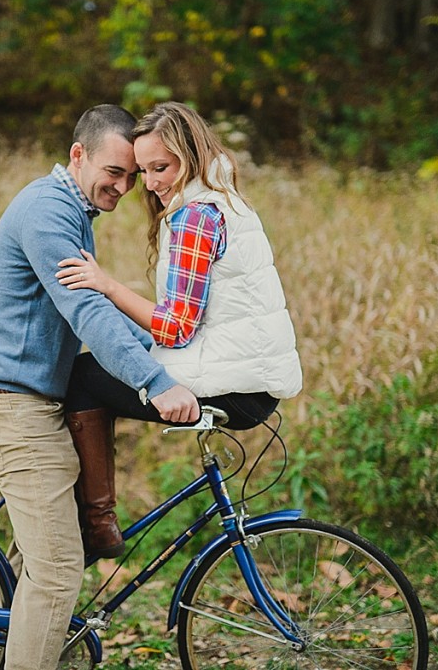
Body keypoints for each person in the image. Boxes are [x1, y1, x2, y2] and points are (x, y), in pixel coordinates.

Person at [0, 104, 199, 670]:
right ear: (78, 155)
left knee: (37, 554)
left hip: (33, 407)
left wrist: (178, 358)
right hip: (10, 410)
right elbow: (88, 312)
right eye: (113, 172)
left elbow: (100, 315)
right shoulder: (48, 211)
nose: (122, 186)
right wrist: (156, 382)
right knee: (60, 568)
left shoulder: (75, 210)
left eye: (132, 177)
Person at [56, 101, 303, 554]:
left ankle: (96, 525)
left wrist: (106, 285)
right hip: (256, 384)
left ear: (190, 155)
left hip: (232, 385)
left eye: (160, 167)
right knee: (114, 364)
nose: (150, 184)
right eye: (143, 171)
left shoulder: (194, 216)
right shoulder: (227, 202)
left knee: (80, 379)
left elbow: (174, 329)